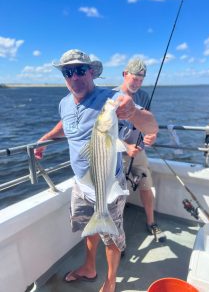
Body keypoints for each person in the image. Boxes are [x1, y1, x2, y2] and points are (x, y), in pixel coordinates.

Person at [34, 49, 158, 292]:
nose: (75, 77)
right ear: (64, 76)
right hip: (81, 183)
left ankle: (110, 282)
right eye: (68, 72)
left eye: (81, 70)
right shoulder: (64, 103)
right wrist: (46, 138)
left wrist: (133, 112)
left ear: (91, 72)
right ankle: (89, 268)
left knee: (111, 237)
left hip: (109, 184)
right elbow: (67, 125)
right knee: (89, 229)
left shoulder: (112, 99)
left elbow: (151, 125)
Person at [115, 58, 166, 242]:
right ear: (124, 74)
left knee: (146, 186)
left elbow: (148, 123)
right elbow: (104, 131)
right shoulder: (111, 97)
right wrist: (126, 146)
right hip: (117, 156)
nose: (137, 83)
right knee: (117, 196)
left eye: (141, 79)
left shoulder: (144, 96)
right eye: (134, 78)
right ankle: (118, 236)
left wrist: (151, 136)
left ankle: (151, 222)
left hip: (139, 152)